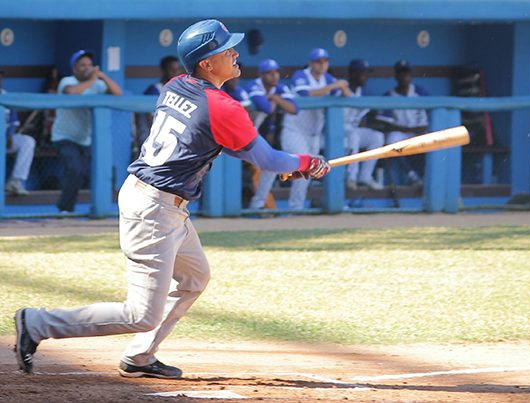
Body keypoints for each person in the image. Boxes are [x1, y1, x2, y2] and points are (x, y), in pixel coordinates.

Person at [14, 19, 330, 379]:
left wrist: (284, 164)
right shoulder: (222, 106)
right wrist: (307, 163)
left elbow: (224, 144)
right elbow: (267, 159)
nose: (235, 54)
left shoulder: (177, 85)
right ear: (207, 64)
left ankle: (140, 355)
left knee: (195, 278)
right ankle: (37, 323)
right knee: (140, 314)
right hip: (155, 208)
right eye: (227, 50)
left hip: (160, 203)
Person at [50, 50, 122, 213]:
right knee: (75, 169)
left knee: (97, 171)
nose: (87, 68)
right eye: (82, 65)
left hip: (85, 139)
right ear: (74, 68)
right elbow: (71, 92)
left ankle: (98, 210)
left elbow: (118, 93)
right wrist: (93, 79)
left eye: (89, 65)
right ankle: (65, 208)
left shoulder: (96, 84)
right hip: (64, 136)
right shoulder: (67, 81)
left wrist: (103, 76)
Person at [281, 48, 351, 209]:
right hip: (294, 131)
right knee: (301, 167)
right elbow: (305, 93)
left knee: (310, 171)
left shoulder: (327, 79)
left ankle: (300, 206)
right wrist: (335, 85)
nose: (321, 65)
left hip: (314, 135)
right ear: (311, 63)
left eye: (324, 61)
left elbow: (348, 96)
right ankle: (294, 208)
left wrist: (342, 87)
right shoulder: (301, 75)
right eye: (318, 62)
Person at [247, 59, 298, 210]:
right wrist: (275, 100)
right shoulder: (254, 86)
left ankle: (256, 206)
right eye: (269, 73)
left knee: (271, 165)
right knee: (267, 166)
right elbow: (266, 108)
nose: (274, 76)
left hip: (257, 136)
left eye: (276, 72)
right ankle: (255, 206)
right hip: (243, 135)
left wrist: (275, 98)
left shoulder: (278, 88)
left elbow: (294, 108)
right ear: (261, 75)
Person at [373, 60, 428, 185]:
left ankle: (429, 178)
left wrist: (423, 128)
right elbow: (386, 124)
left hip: (421, 132)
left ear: (411, 75)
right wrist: (408, 130)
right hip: (401, 134)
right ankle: (412, 176)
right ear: (396, 76)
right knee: (391, 140)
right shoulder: (389, 96)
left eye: (407, 73)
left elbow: (432, 115)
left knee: (437, 140)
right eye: (401, 73)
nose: (404, 76)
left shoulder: (420, 92)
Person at [343, 59, 384, 191]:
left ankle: (365, 177)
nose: (365, 76)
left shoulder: (363, 93)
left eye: (366, 73)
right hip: (336, 132)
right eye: (361, 73)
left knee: (377, 137)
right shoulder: (341, 89)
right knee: (353, 136)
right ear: (352, 74)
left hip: (352, 130)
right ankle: (351, 178)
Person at [1, 70, 36, 196]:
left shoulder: (6, 95)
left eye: (1, 79)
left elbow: (13, 122)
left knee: (27, 141)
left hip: (4, 139)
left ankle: (15, 181)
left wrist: (9, 135)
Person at [135, 56, 182, 150]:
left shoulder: (179, 91)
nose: (175, 72)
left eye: (176, 69)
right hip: (151, 141)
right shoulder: (154, 90)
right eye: (171, 69)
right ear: (163, 70)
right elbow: (151, 121)